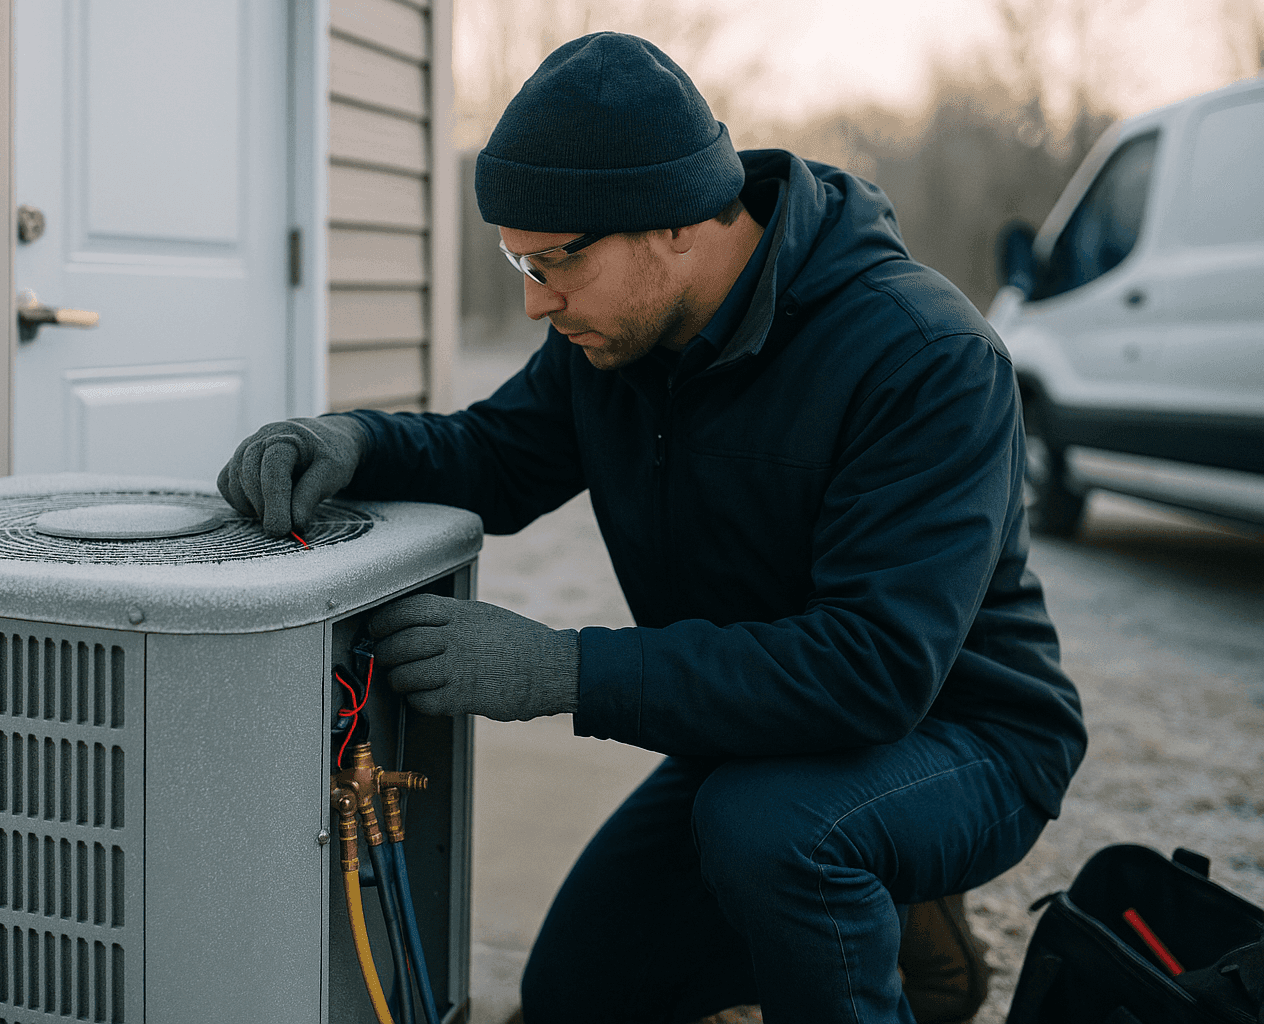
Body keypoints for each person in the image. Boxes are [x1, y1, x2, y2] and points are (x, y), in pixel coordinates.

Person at [217, 32, 1086, 1024]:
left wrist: (563, 669)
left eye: (557, 261)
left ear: (674, 221)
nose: (536, 300)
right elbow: (496, 456)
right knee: (575, 998)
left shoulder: (923, 356)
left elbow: (874, 670)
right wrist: (351, 441)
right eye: (518, 260)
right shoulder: (616, 336)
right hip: (758, 734)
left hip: (960, 736)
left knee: (773, 833)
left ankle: (869, 901)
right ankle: (885, 922)